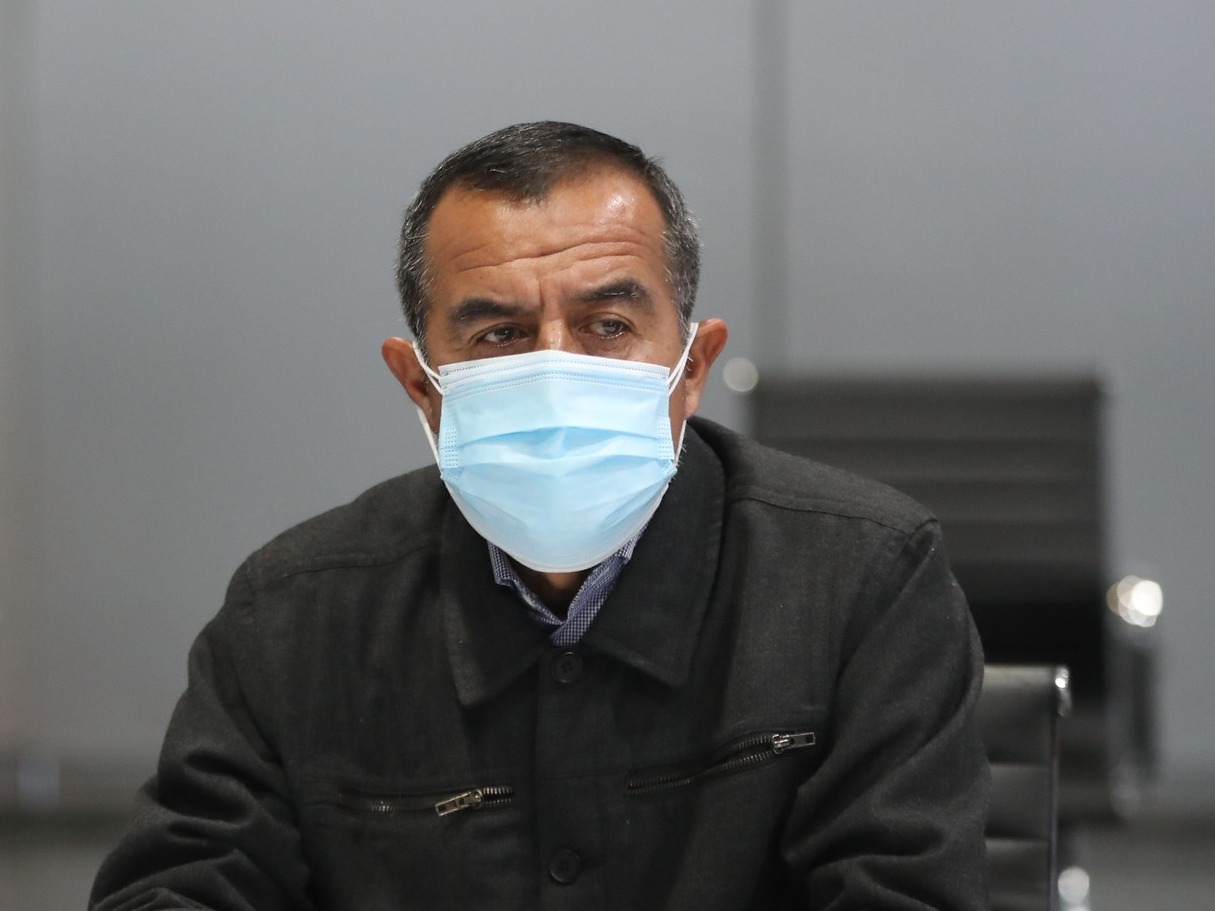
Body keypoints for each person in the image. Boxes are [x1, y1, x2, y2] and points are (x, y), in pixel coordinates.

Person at [90, 121, 990, 910]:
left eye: (607, 326)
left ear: (691, 368)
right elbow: (180, 884)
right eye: (500, 335)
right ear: (420, 384)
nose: (556, 376)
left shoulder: (860, 581)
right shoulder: (292, 617)